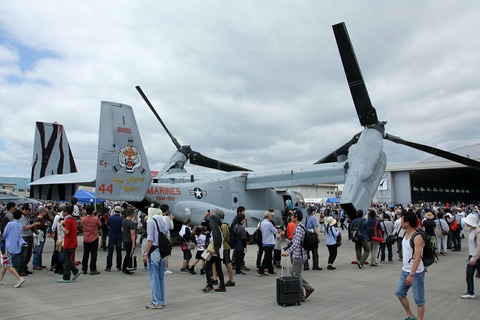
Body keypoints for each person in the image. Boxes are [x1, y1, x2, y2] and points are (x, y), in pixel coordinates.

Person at [395, 210, 426, 320]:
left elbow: (417, 258)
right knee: (399, 293)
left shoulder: (417, 237)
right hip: (405, 270)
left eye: (402, 221)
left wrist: (411, 274)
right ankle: (410, 315)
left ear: (407, 223)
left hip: (416, 272)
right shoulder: (405, 233)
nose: (400, 222)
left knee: (419, 300)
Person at [282, 209, 314, 302]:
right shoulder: (300, 226)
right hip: (300, 255)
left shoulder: (299, 228)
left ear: (296, 217)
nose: (291, 217)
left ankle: (301, 295)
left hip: (298, 256)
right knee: (295, 273)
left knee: (296, 275)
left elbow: (296, 243)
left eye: (292, 216)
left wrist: (287, 252)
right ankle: (308, 287)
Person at [143, 210, 168, 309]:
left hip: (154, 251)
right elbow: (167, 234)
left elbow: (150, 239)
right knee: (160, 278)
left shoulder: (151, 221)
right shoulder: (163, 220)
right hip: (161, 251)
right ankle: (161, 300)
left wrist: (146, 253)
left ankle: (156, 302)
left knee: (154, 278)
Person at [0, 210, 26, 288]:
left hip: (7, 245)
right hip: (15, 245)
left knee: (6, 264)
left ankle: (19, 278)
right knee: (5, 264)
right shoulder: (20, 225)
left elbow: (5, 234)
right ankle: (0, 279)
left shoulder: (10, 224)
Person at [57, 205, 81, 283]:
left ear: (66, 212)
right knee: (68, 259)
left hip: (69, 243)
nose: (62, 212)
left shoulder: (68, 220)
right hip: (73, 242)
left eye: (63, 211)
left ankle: (66, 277)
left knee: (66, 261)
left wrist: (61, 225)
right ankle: (75, 271)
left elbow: (66, 231)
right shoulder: (72, 220)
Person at [202, 214, 226, 293]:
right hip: (218, 252)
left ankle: (210, 285)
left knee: (207, 267)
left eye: (210, 221)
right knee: (219, 269)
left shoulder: (215, 229)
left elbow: (216, 241)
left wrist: (215, 251)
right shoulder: (217, 228)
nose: (209, 223)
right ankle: (222, 286)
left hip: (215, 253)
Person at [460, 214, 480, 299]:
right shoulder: (472, 230)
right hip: (472, 255)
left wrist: (474, 258)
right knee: (469, 274)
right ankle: (470, 292)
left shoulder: (478, 231)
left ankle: (470, 292)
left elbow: (479, 246)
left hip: (477, 257)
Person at [80, 205, 101, 275]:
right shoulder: (95, 219)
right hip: (94, 238)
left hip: (86, 238)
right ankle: (93, 269)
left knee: (85, 254)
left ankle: (84, 268)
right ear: (93, 211)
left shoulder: (83, 219)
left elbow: (81, 224)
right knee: (93, 254)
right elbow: (100, 224)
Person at [216, 209, 235, 287]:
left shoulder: (223, 226)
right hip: (223, 247)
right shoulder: (223, 224)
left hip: (224, 248)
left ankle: (231, 280)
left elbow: (222, 238)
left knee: (227, 263)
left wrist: (218, 245)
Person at [257, 211, 278, 276]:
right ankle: (261, 270)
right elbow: (275, 231)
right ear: (268, 216)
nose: (271, 216)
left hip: (264, 241)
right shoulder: (269, 224)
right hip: (269, 242)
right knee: (267, 257)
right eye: (270, 215)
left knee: (268, 256)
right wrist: (278, 229)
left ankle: (270, 270)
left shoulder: (262, 223)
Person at [105, 205, 124, 272]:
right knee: (119, 252)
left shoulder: (110, 218)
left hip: (112, 236)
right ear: (120, 211)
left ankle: (108, 266)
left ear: (114, 210)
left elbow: (107, 225)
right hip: (119, 236)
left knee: (110, 252)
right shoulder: (122, 219)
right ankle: (119, 266)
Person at [121, 208, 137, 275]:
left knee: (127, 254)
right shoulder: (131, 223)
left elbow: (122, 229)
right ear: (132, 214)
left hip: (125, 239)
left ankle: (124, 267)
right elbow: (132, 234)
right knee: (129, 254)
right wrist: (133, 243)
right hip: (129, 240)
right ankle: (127, 267)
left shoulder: (123, 221)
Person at [32, 206, 48, 270]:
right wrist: (45, 225)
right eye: (44, 211)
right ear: (41, 212)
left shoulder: (42, 219)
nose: (45, 212)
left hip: (42, 235)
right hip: (39, 236)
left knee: (40, 250)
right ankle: (35, 264)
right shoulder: (38, 219)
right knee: (37, 250)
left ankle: (39, 263)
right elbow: (43, 226)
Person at [160, 204, 174, 274]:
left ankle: (160, 267)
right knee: (166, 253)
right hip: (166, 236)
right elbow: (171, 227)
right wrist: (171, 220)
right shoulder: (167, 218)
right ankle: (166, 268)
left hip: (159, 236)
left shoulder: (158, 217)